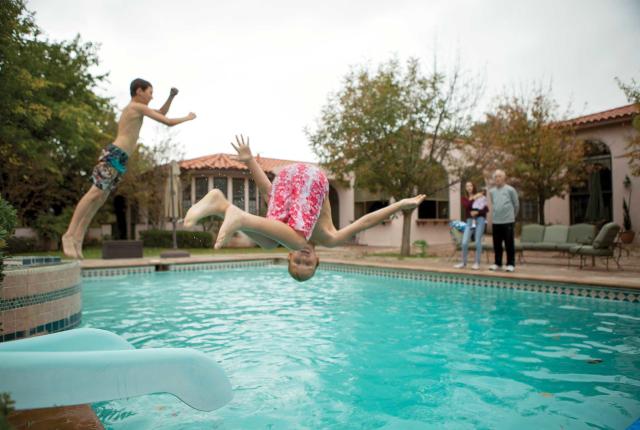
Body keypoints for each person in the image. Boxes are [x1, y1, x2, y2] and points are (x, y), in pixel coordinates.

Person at [183, 135, 426, 282]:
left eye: (297, 262)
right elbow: (365, 221)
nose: (303, 259)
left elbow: (269, 191)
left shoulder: (281, 227)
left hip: (286, 178)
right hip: (312, 179)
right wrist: (400, 205)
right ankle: (240, 217)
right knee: (295, 238)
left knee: (268, 242)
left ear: (289, 258)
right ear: (317, 260)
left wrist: (250, 162)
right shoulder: (329, 237)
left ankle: (221, 204)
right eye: (308, 265)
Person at [62, 78, 197, 259]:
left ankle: (78, 238)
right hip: (114, 155)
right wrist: (188, 118)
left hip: (120, 159)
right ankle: (69, 235)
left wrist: (171, 97)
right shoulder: (136, 107)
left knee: (100, 199)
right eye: (150, 92)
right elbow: (167, 121)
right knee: (94, 193)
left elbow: (161, 112)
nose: (152, 95)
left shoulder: (140, 109)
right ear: (139, 91)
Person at [488, 169, 519, 272]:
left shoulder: (510, 190)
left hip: (508, 222)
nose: (497, 178)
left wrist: (512, 217)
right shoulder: (491, 191)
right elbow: (494, 204)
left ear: (504, 178)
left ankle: (510, 264)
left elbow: (516, 205)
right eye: (495, 177)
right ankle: (497, 263)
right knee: (497, 244)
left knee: (509, 244)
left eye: (499, 176)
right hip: (496, 222)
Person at [454, 182, 488, 270]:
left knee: (477, 241)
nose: (469, 187)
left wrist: (478, 212)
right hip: (469, 222)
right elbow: (467, 205)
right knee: (464, 242)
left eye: (471, 185)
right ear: (465, 188)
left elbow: (486, 209)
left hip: (480, 220)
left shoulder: (480, 196)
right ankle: (463, 263)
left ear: (474, 187)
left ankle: (477, 263)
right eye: (467, 186)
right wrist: (473, 198)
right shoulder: (464, 198)